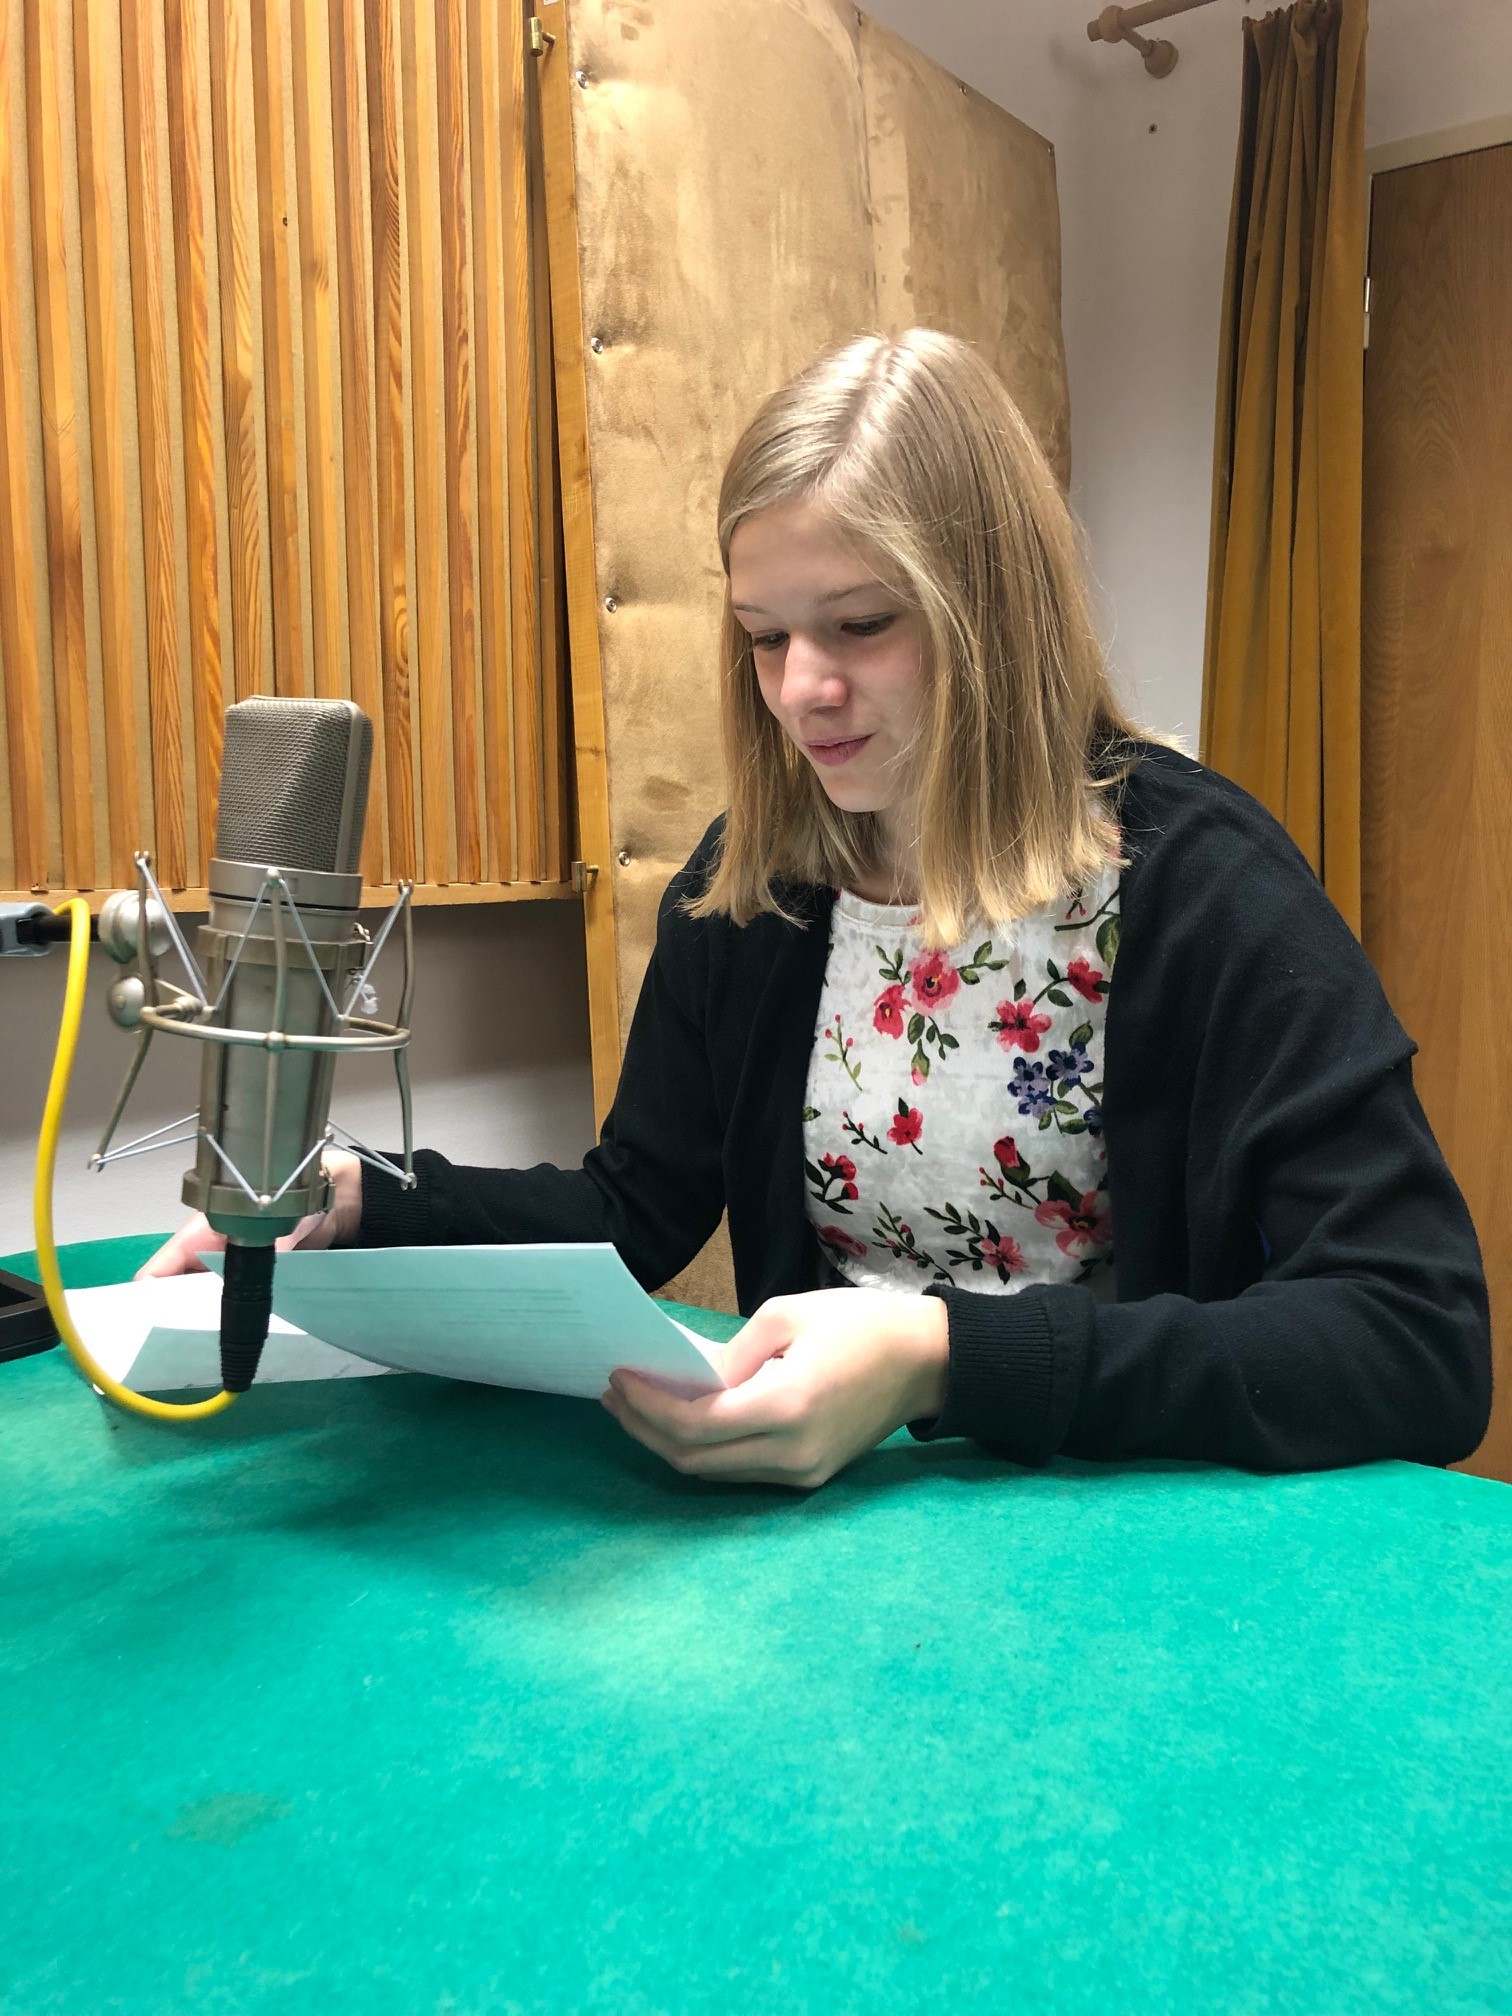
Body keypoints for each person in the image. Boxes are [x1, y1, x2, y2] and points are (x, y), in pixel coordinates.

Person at [144, 328, 1491, 1488]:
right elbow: (634, 1205)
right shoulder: (754, 891)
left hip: (1128, 1550)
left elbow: (1418, 1342)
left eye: (861, 624)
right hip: (832, 1544)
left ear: (994, 614)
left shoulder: (1208, 890)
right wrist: (368, 1202)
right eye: (765, 636)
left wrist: (941, 1357)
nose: (801, 691)